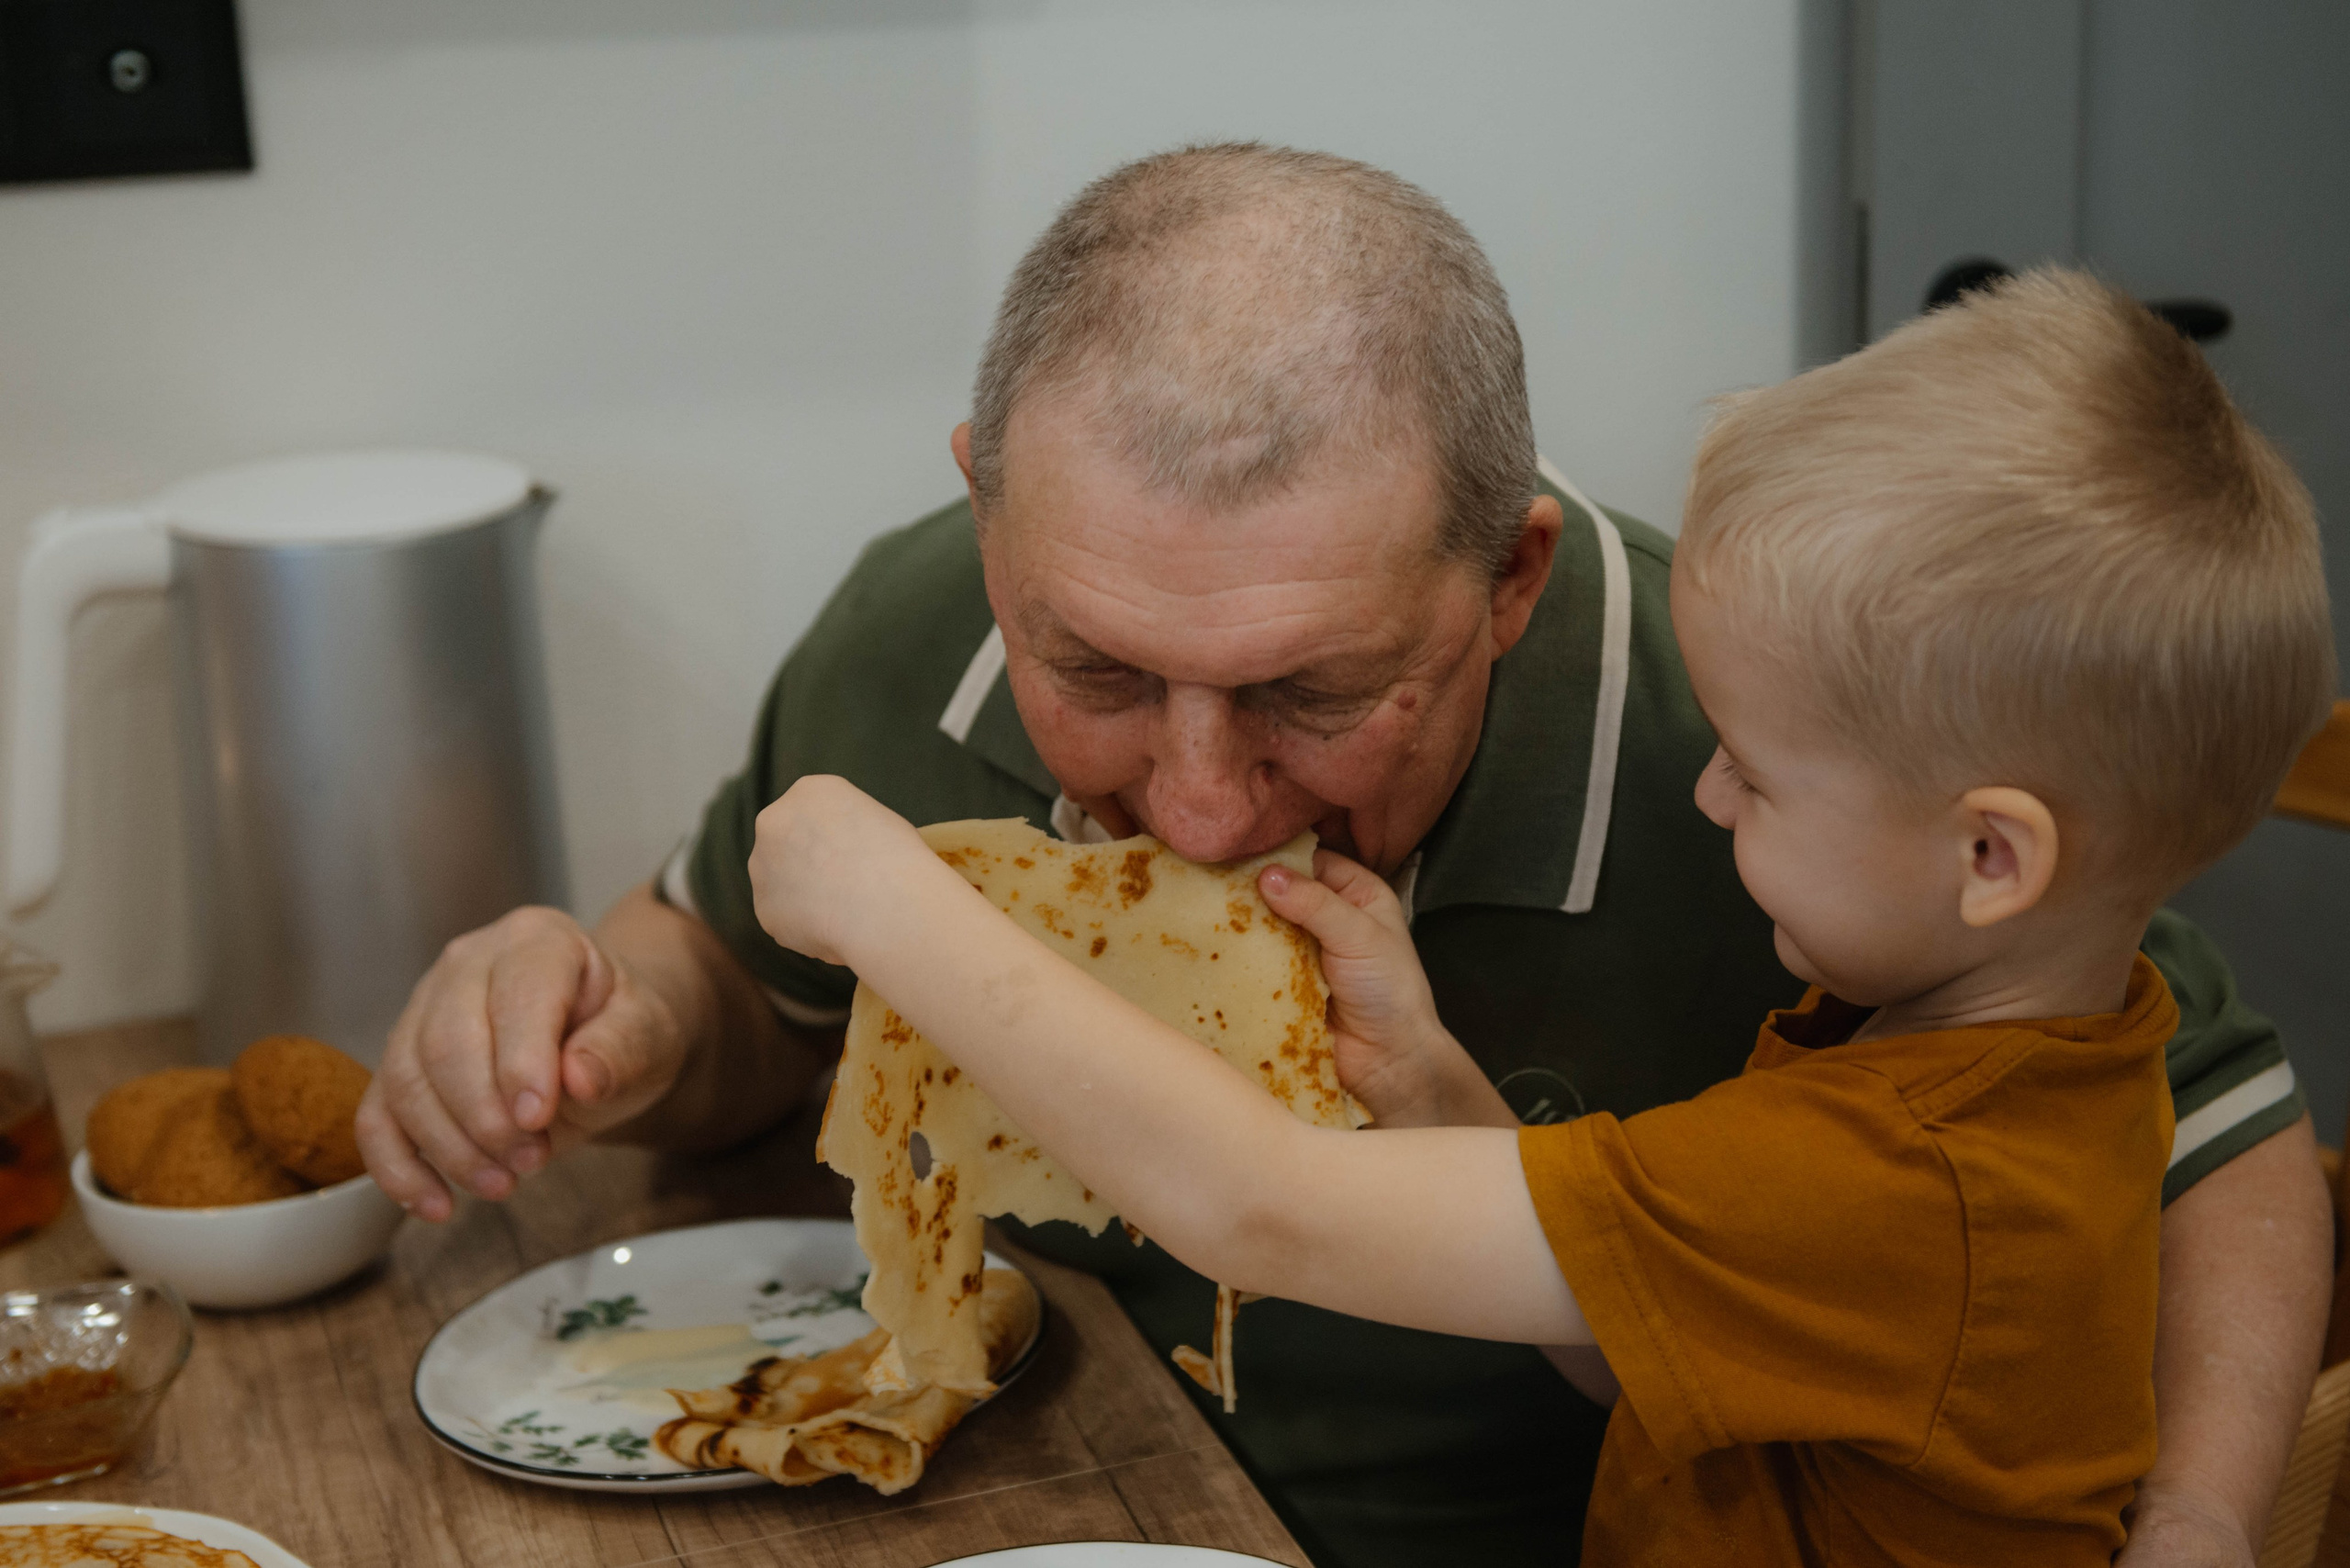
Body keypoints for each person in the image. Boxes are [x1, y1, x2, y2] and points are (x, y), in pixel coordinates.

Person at [355, 146, 2332, 1567]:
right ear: (988, 528)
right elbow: (731, 995)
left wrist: (2205, 1519)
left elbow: (2213, 1132)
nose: (1202, 803)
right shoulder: (907, 631)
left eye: (1313, 691)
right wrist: (597, 1013)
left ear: (1508, 575)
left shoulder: (1801, 751)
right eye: (1100, 670)